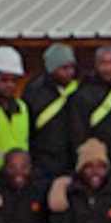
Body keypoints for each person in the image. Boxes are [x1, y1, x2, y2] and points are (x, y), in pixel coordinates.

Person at [23, 43, 80, 178]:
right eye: (64, 68)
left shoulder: (78, 90)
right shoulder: (35, 91)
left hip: (71, 161)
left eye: (71, 67)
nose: (69, 72)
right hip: (42, 161)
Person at [69, 44, 111, 160]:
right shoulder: (83, 94)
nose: (108, 68)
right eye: (103, 63)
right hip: (93, 158)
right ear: (96, 65)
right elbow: (77, 131)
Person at [0, 46, 30, 169]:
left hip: (17, 175)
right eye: (4, 80)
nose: (9, 85)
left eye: (14, 81)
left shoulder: (22, 107)